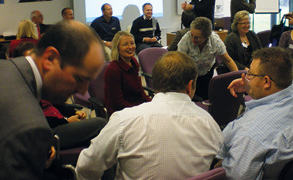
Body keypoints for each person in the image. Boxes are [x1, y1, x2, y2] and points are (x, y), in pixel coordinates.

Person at [76, 51, 223, 180]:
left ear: (155, 83)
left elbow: (86, 166)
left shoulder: (125, 120)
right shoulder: (209, 124)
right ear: (190, 86)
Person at [0, 20, 105, 179]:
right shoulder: (30, 129)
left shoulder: (7, 69)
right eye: (79, 78)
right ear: (50, 58)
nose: (83, 91)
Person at [216, 47, 293, 180]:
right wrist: (250, 86)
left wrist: (218, 165)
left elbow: (234, 176)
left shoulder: (252, 134)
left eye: (250, 74)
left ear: (266, 82)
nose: (245, 77)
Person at [178, 17, 238, 100]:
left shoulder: (215, 41)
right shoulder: (186, 40)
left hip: (206, 73)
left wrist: (238, 78)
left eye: (197, 38)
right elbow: (179, 63)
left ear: (206, 37)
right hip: (188, 74)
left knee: (205, 99)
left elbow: (228, 60)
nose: (192, 39)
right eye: (192, 35)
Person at [104, 31, 151, 116]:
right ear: (117, 47)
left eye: (132, 43)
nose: (130, 47)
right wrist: (140, 110)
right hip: (122, 113)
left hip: (136, 107)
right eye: (125, 44)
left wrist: (152, 103)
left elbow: (140, 90)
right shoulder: (113, 70)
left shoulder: (133, 62)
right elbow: (118, 103)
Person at [40, 99, 107, 149]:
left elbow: (56, 105)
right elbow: (40, 121)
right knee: (100, 124)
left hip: (61, 122)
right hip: (50, 132)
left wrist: (74, 112)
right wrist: (66, 120)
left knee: (96, 137)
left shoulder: (40, 90)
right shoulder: (31, 94)